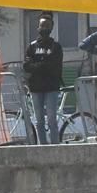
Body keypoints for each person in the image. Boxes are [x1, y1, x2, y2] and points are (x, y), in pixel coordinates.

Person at [21, 17, 65, 145]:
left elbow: (55, 67)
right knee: (39, 121)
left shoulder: (56, 47)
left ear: (51, 29)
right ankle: (43, 147)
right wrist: (43, 65)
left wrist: (37, 65)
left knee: (52, 119)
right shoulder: (32, 46)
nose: (44, 29)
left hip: (52, 87)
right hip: (35, 88)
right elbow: (26, 66)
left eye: (47, 26)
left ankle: (55, 146)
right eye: (42, 26)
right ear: (37, 28)